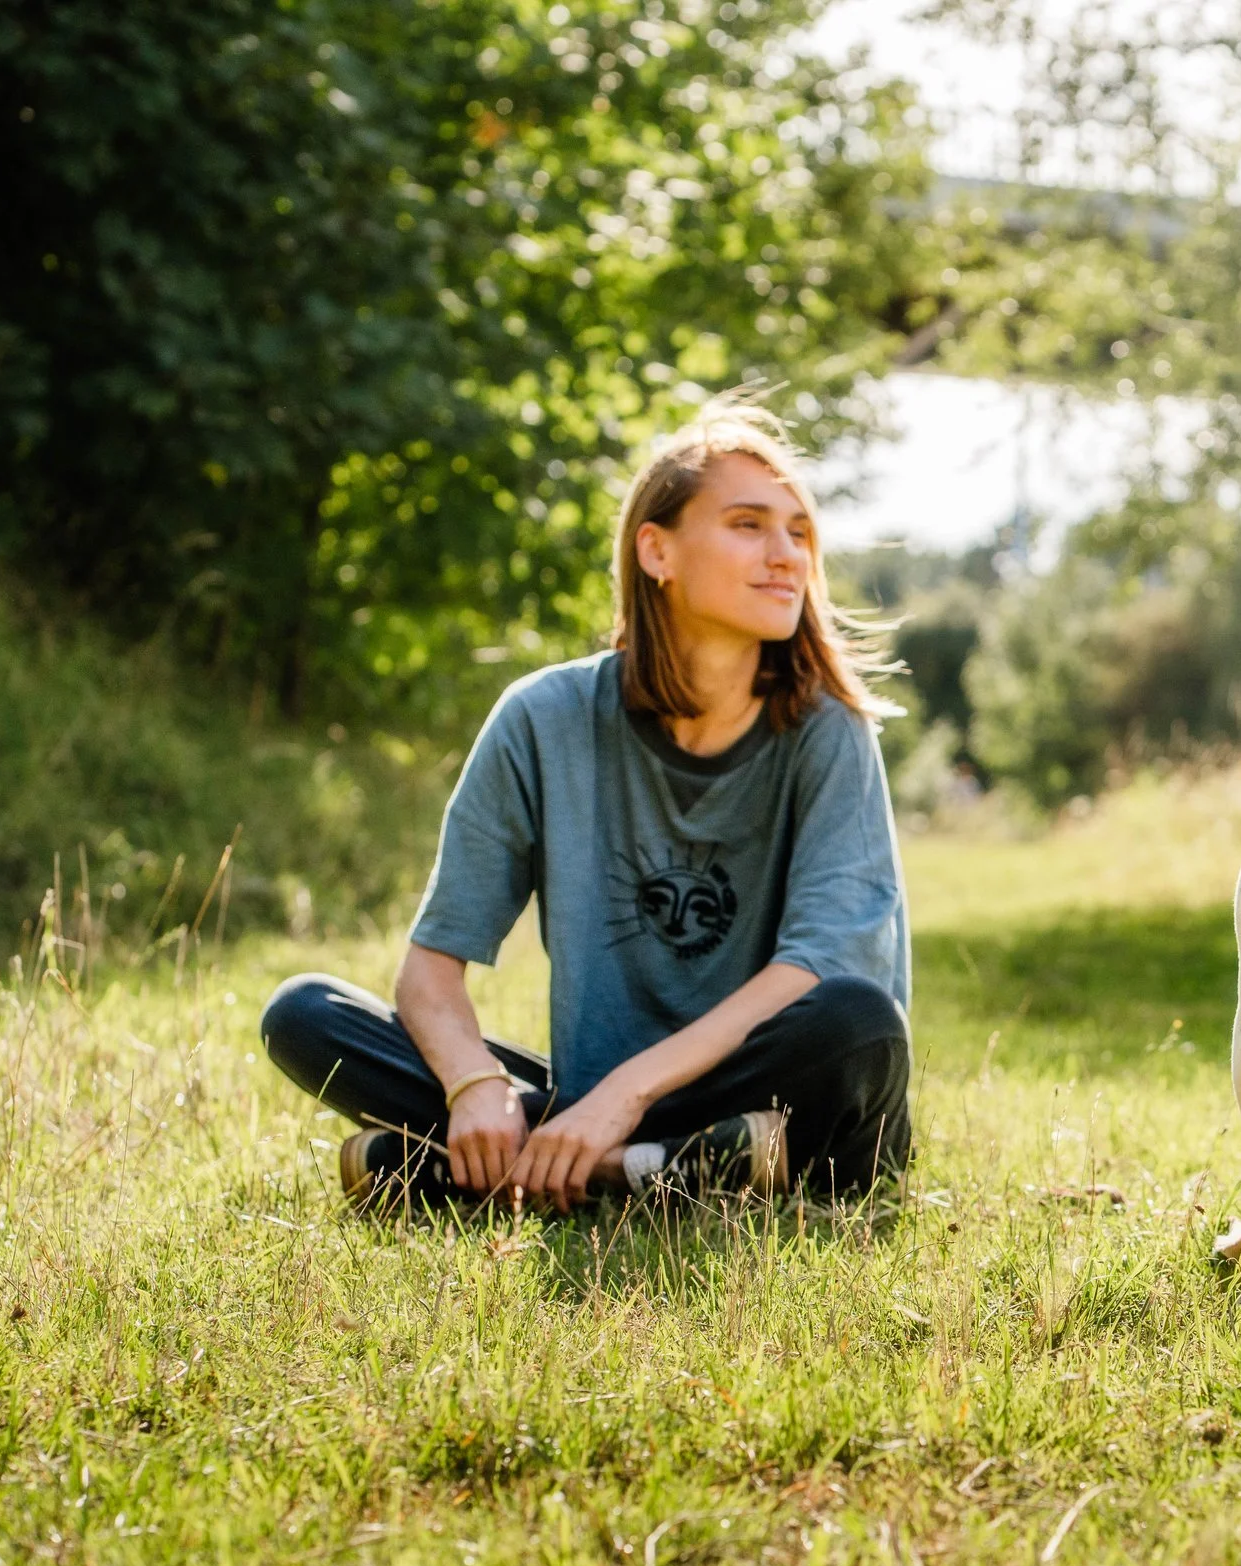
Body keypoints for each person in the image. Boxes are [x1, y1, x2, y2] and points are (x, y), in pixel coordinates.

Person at [259, 402, 912, 1212]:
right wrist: (473, 1085)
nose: (786, 556)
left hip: (767, 1080)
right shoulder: (543, 719)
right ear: (656, 550)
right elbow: (429, 973)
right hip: (613, 1096)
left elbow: (818, 970)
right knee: (306, 1016)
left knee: (858, 1025)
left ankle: (561, 1165)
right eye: (749, 525)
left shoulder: (828, 731)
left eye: (799, 533)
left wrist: (622, 1098)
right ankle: (668, 1169)